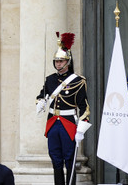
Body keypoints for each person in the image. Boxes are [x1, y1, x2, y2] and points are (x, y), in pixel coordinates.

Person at [36, 32, 91, 185]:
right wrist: (40, 102)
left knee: (70, 160)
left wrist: (81, 128)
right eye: (56, 61)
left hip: (68, 123)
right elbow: (42, 95)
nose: (58, 64)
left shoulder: (78, 81)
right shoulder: (50, 80)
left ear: (68, 62)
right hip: (53, 122)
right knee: (55, 159)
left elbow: (84, 107)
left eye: (61, 61)